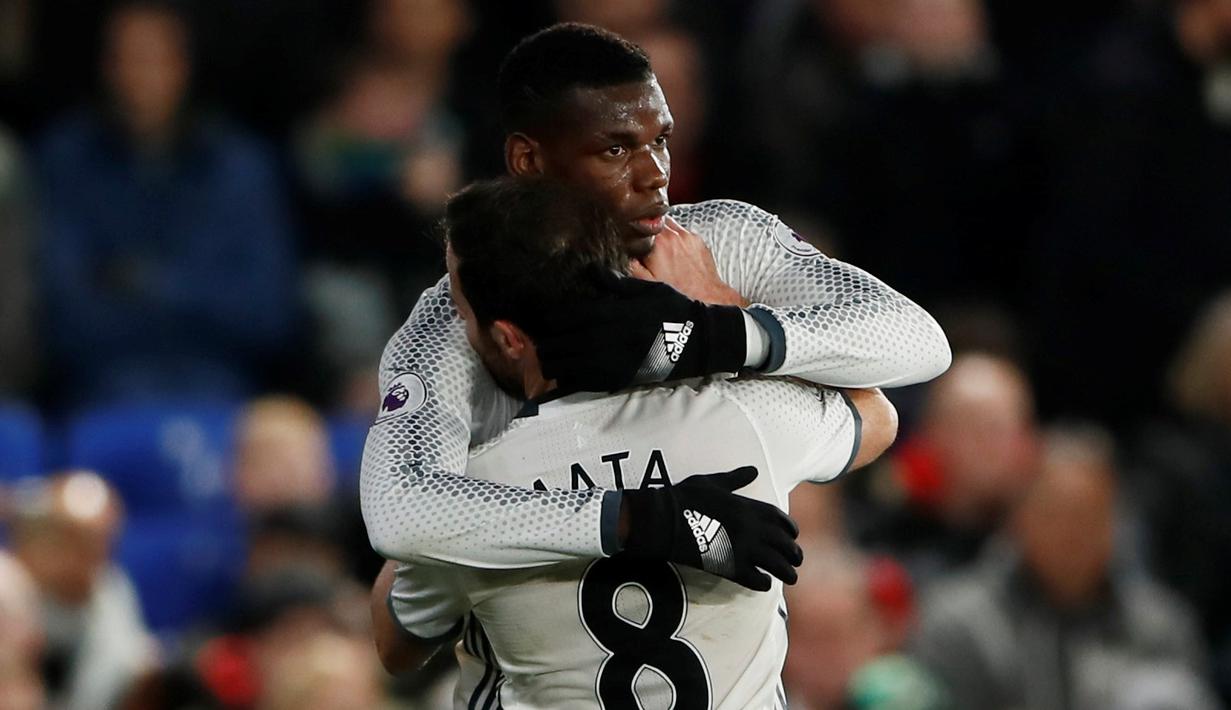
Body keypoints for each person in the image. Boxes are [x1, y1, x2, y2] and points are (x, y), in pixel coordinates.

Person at [359, 22, 950, 588]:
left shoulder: (723, 238)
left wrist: (722, 327)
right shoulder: (461, 315)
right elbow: (399, 515)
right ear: (528, 161)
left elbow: (919, 341)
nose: (656, 175)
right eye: (616, 150)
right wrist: (637, 520)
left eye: (661, 140)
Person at [372, 176, 899, 708]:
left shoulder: (472, 494)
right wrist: (720, 308)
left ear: (510, 338)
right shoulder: (745, 417)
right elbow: (877, 414)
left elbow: (396, 646)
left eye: (462, 316)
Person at [36, 0, 296, 406]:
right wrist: (199, 296)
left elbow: (267, 316)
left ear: (184, 65)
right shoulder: (65, 160)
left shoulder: (241, 167)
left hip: (223, 390)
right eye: (128, 59)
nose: (140, 76)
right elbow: (66, 324)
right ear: (106, 67)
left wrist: (147, 283)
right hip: (102, 394)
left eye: (156, 58)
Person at [912, 425, 1219, 710]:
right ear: (1019, 518)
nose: (1073, 534)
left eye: (1089, 515)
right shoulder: (959, 624)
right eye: (1057, 514)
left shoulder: (1161, 626)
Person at [8, 471, 156, 710]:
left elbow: (128, 668)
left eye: (104, 540)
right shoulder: (9, 594)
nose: (97, 555)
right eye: (79, 542)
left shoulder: (110, 585)